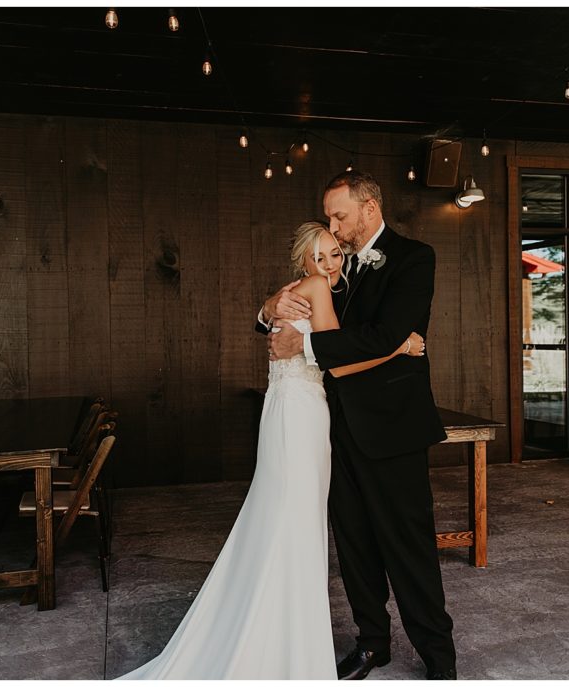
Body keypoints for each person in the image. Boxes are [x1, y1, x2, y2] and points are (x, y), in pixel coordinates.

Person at [117, 222, 424, 680]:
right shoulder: (318, 287)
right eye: (319, 256)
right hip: (302, 416)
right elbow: (341, 364)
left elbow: (315, 342)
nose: (329, 264)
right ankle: (289, 643)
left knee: (281, 518)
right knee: (296, 522)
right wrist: (400, 346)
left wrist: (268, 310)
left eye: (335, 253)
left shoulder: (298, 291)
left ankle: (274, 629)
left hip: (286, 412)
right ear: (303, 262)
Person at [263, 170, 457, 680]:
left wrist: (305, 345)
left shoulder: (415, 258)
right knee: (353, 546)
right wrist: (268, 312)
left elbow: (385, 334)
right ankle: (373, 644)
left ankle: (439, 657)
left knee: (408, 547)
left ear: (370, 207)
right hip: (334, 428)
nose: (332, 224)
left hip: (393, 429)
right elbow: (287, 305)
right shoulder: (332, 263)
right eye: (329, 216)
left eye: (339, 215)